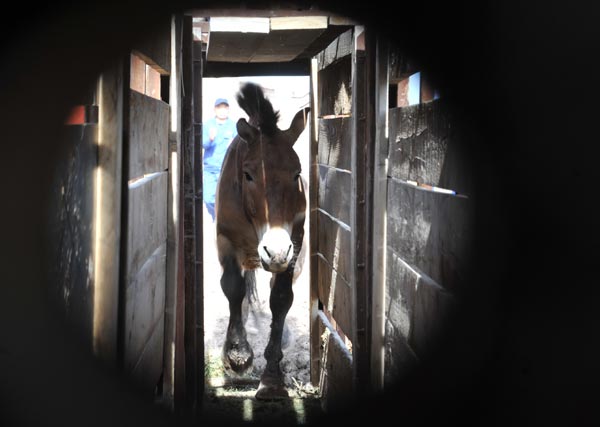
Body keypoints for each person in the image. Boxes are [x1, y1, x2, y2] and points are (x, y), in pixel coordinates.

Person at [203, 97, 237, 221]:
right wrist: (210, 139)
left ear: (228, 110)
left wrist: (234, 144)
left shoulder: (234, 126)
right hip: (210, 169)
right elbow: (202, 144)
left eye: (225, 108)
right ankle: (216, 216)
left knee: (228, 198)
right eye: (219, 108)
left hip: (227, 169)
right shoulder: (208, 125)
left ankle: (224, 219)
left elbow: (241, 146)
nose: (222, 110)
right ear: (215, 110)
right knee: (208, 198)